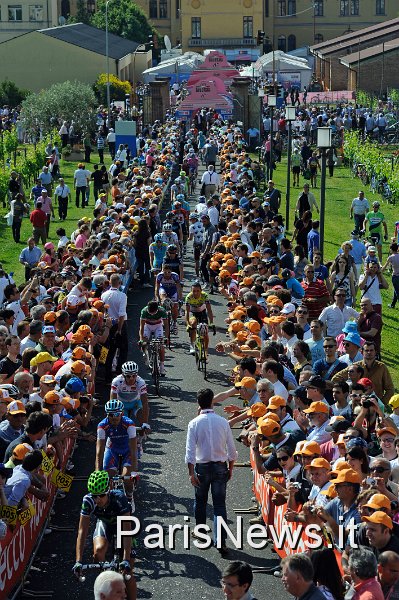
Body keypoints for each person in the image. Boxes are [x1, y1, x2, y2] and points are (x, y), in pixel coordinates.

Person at [185, 388, 237, 556]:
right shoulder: (223, 422)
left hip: (202, 468)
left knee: (200, 501)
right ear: (213, 402)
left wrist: (191, 473)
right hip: (220, 467)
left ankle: (201, 532)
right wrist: (231, 468)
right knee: (219, 505)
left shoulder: (193, 423)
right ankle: (220, 541)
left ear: (198, 404)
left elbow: (190, 452)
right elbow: (232, 449)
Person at [73, 471, 136, 599]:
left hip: (122, 526)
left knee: (128, 573)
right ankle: (107, 580)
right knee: (98, 552)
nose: (98, 499)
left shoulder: (119, 498)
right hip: (105, 523)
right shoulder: (88, 501)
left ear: (108, 490)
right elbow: (82, 531)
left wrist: (125, 559)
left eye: (101, 495)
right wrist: (78, 561)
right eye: (95, 496)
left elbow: (126, 530)